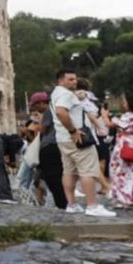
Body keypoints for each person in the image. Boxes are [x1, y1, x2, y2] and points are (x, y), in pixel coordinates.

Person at [51, 69, 116, 217]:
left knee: (69, 171)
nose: (74, 82)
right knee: (88, 171)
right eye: (70, 79)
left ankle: (72, 204)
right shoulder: (65, 95)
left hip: (63, 139)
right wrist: (73, 130)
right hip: (77, 138)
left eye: (75, 79)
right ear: (61, 80)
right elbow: (61, 112)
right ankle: (92, 206)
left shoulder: (56, 93)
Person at [101, 95, 133, 211]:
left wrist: (104, 116)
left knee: (119, 172)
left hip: (125, 145)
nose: (123, 104)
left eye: (125, 102)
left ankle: (122, 200)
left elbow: (110, 124)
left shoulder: (129, 116)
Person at [31, 91, 67, 210]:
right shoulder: (56, 109)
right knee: (56, 176)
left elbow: (43, 130)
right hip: (57, 145)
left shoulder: (48, 111)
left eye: (35, 105)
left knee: (52, 177)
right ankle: (63, 201)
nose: (35, 109)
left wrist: (35, 127)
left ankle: (61, 203)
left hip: (49, 146)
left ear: (42, 103)